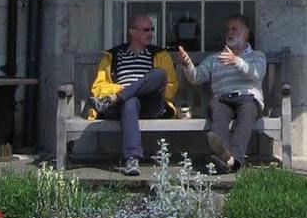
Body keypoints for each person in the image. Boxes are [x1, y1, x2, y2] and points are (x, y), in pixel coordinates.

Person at [88, 13, 180, 176]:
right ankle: (132, 159)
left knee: (159, 73)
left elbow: (170, 87)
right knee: (129, 102)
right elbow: (98, 87)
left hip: (150, 105)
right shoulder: (114, 55)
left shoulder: (160, 55)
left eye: (152, 29)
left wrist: (121, 93)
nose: (150, 33)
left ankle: (118, 97)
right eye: (146, 30)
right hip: (123, 107)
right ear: (132, 32)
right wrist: (123, 91)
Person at [176, 16, 267, 171]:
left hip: (248, 98)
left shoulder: (257, 56)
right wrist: (187, 64)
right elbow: (196, 77)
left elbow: (256, 74)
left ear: (245, 34)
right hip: (222, 98)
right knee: (217, 114)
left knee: (247, 113)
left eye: (234, 29)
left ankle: (230, 160)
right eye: (228, 29)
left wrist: (236, 61)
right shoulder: (215, 59)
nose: (229, 32)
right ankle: (229, 160)